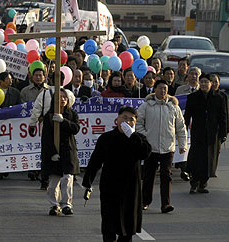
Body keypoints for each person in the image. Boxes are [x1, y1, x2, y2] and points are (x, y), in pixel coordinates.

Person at [82, 106, 151, 242]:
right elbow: (95, 161)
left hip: (131, 187)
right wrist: (87, 182)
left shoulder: (139, 138)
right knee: (109, 222)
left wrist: (132, 135)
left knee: (128, 225)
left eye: (131, 119)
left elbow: (145, 153)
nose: (127, 121)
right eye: (124, 118)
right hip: (110, 186)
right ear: (117, 119)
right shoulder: (106, 138)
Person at [136, 80, 187, 213]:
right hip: (150, 147)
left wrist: (182, 145)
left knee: (166, 175)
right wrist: (146, 135)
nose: (163, 91)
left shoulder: (173, 107)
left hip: (167, 147)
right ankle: (145, 201)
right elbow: (138, 123)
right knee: (149, 176)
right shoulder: (146, 106)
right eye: (160, 88)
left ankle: (166, 204)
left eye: (165, 89)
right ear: (155, 89)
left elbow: (181, 127)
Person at [184, 74, 227, 194]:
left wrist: (223, 133)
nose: (203, 84)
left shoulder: (218, 98)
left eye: (206, 82)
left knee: (208, 159)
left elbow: (223, 117)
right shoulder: (193, 97)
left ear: (211, 84)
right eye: (201, 82)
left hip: (212, 134)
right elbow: (187, 115)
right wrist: (184, 129)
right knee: (196, 158)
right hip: (197, 132)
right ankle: (194, 182)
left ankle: (203, 183)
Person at [42, 88, 80, 216]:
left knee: (67, 180)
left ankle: (66, 204)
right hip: (55, 152)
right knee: (53, 182)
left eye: (65, 97)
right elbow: (46, 137)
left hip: (68, 151)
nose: (62, 99)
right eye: (60, 97)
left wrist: (63, 121)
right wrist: (52, 153)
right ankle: (54, 205)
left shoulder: (72, 114)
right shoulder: (48, 116)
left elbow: (75, 128)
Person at [209, 73, 229, 177]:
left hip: (218, 128)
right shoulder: (205, 95)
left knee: (216, 151)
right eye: (212, 81)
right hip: (206, 128)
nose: (214, 84)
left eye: (216, 82)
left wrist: (226, 130)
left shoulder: (223, 96)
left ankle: (212, 171)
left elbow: (225, 115)